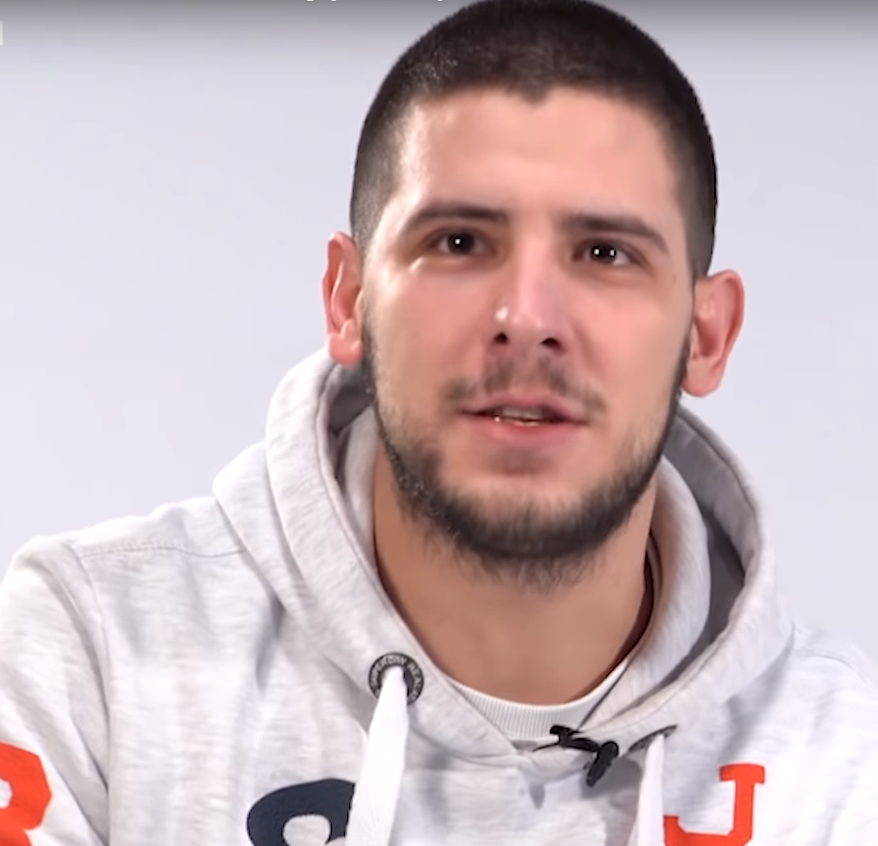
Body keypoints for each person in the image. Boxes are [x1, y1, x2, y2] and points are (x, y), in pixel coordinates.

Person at [2, 0, 877, 843]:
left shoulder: (847, 762)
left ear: (708, 336)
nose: (527, 317)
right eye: (459, 242)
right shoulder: (94, 657)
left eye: (605, 253)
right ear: (348, 301)